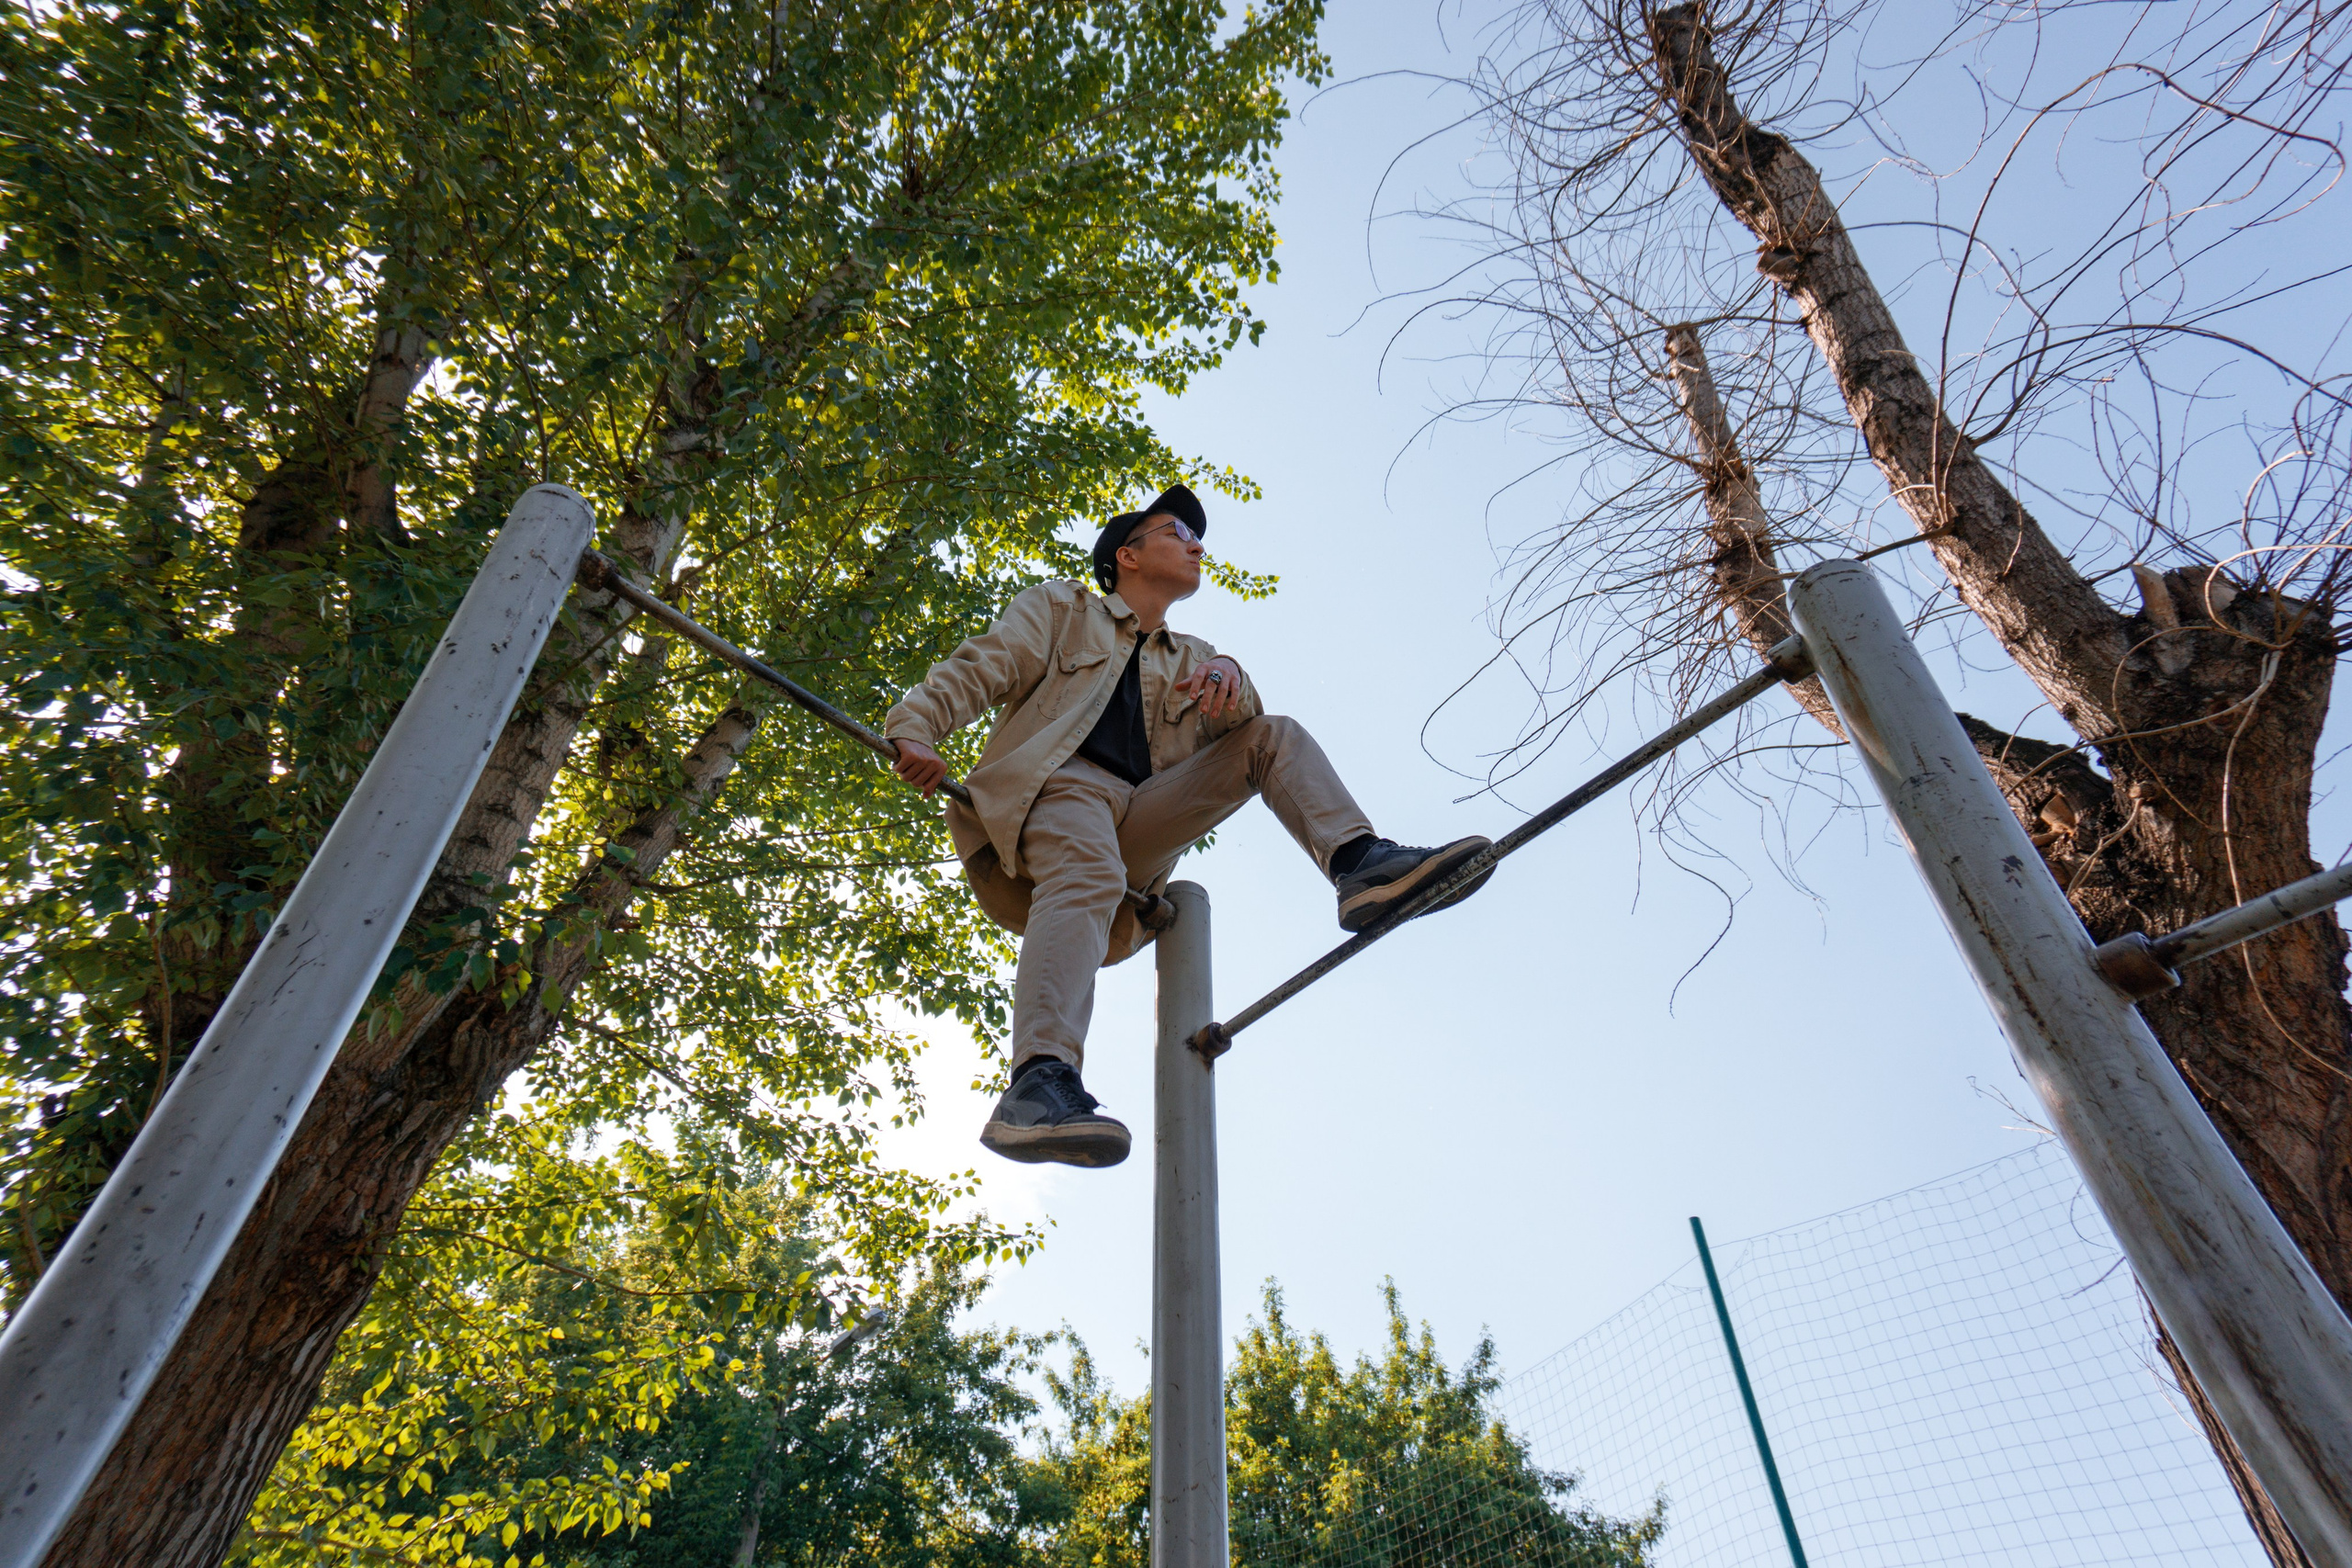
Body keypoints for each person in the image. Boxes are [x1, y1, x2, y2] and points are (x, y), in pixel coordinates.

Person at [884, 485, 1491, 1168]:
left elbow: (1239, 732)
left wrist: (1234, 675)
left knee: (1273, 735)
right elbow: (984, 665)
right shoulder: (1063, 608)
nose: (1198, 545)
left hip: (1134, 828)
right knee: (1087, 862)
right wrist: (917, 729)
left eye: (1198, 536)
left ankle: (1361, 866)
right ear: (1128, 556)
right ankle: (1036, 1084)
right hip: (1052, 796)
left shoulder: (1191, 654)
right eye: (1177, 532)